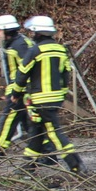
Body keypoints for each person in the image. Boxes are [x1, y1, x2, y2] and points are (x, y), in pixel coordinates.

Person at [10, 16, 83, 173]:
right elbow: (66, 73)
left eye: (32, 32)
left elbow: (22, 73)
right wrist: (62, 94)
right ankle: (29, 164)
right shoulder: (60, 49)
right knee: (36, 130)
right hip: (56, 98)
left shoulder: (35, 50)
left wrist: (15, 93)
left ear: (37, 33)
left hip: (40, 98)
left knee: (53, 131)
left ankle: (76, 164)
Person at [0, 14, 33, 167]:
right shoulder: (18, 43)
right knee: (30, 126)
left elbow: (27, 69)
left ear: (7, 30)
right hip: (21, 90)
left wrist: (17, 92)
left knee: (7, 123)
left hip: (21, 92)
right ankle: (44, 155)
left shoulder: (19, 46)